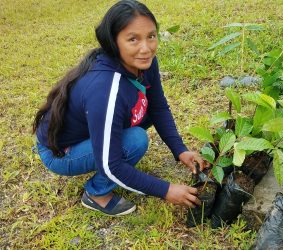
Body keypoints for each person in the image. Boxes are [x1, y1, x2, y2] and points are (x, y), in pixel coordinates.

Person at [32, 0, 207, 216]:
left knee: (146, 109)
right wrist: (166, 190)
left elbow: (159, 107)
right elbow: (111, 166)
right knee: (135, 140)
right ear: (113, 42)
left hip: (90, 128)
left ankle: (104, 152)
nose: (146, 48)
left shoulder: (144, 62)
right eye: (133, 39)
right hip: (60, 152)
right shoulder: (106, 89)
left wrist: (180, 150)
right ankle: (96, 194)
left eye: (151, 36)